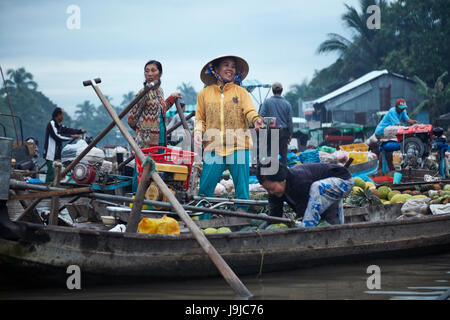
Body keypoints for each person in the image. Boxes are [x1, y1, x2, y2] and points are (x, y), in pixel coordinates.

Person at [194, 55, 265, 214]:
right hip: (213, 147)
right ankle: (202, 217)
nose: (230, 69)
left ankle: (241, 217)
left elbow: (249, 111)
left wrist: (256, 120)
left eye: (233, 66)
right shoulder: (204, 94)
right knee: (206, 185)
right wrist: (198, 132)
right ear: (216, 69)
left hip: (238, 145)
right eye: (225, 65)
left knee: (241, 187)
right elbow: (200, 119)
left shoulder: (241, 92)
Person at [256, 163, 353, 227]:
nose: (271, 192)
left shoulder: (300, 181)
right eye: (267, 190)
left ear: (282, 179)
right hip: (325, 191)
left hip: (343, 181)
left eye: (272, 188)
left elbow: (304, 210)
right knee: (332, 223)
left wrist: (301, 227)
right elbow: (274, 216)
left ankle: (307, 232)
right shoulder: (274, 193)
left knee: (316, 188)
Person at [127, 60, 182, 149]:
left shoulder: (159, 91)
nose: (149, 74)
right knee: (147, 163)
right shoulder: (144, 93)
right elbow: (131, 119)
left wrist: (172, 97)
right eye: (147, 71)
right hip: (146, 142)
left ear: (160, 74)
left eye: (153, 70)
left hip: (161, 138)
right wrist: (143, 130)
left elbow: (160, 111)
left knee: (159, 162)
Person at [43, 107, 85, 183]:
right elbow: (57, 136)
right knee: (51, 174)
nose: (63, 117)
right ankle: (47, 190)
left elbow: (68, 130)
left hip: (57, 154)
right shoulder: (51, 124)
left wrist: (79, 131)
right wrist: (71, 137)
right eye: (62, 115)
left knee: (57, 174)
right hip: (50, 153)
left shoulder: (59, 125)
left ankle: (52, 189)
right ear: (58, 115)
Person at [259, 82, 293, 165]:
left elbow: (260, 116)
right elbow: (290, 121)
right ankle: (283, 176)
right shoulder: (287, 104)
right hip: (284, 133)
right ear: (282, 91)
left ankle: (271, 175)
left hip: (271, 132)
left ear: (272, 91)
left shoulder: (267, 102)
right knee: (283, 156)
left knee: (271, 155)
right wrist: (290, 134)